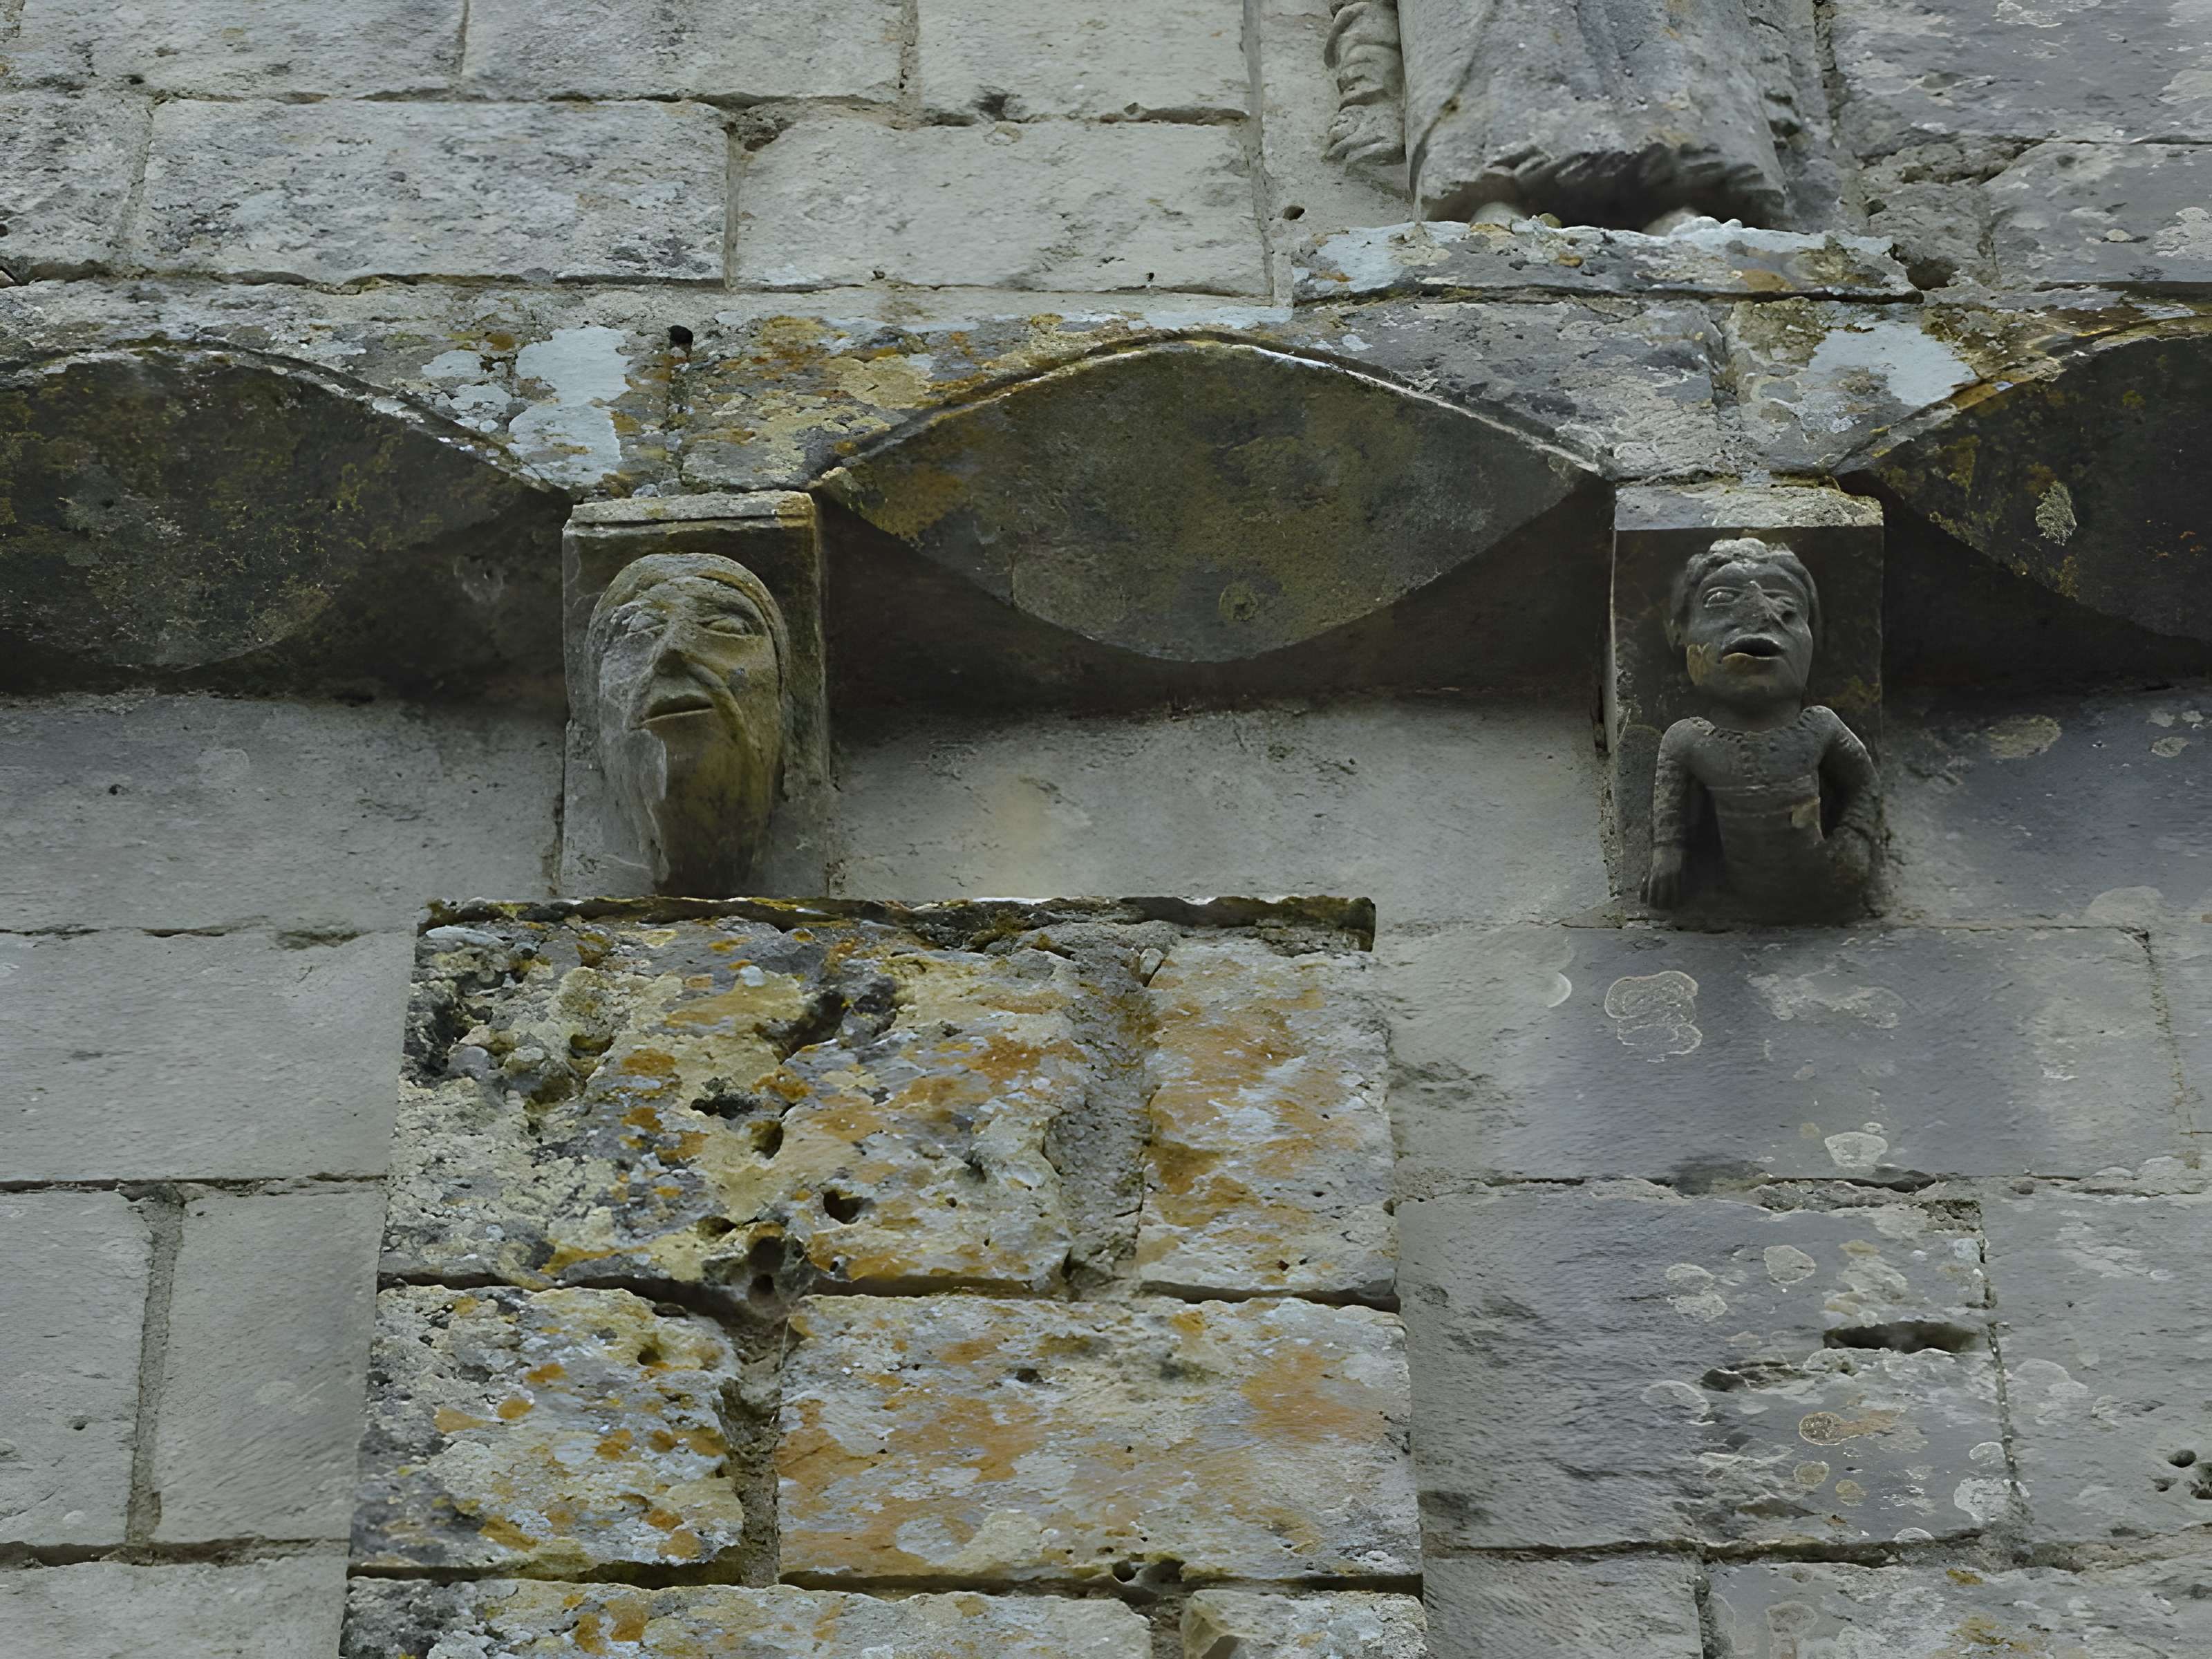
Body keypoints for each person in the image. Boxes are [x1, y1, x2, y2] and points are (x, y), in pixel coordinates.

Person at [1644, 538, 1877, 915]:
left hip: (1826, 882)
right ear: (1678, 634)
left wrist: (1856, 837)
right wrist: (1667, 852)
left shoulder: (1819, 727)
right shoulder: (1689, 740)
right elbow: (1669, 812)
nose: (1761, 614)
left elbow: (1864, 782)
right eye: (1720, 599)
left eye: (1787, 605)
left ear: (1813, 641)